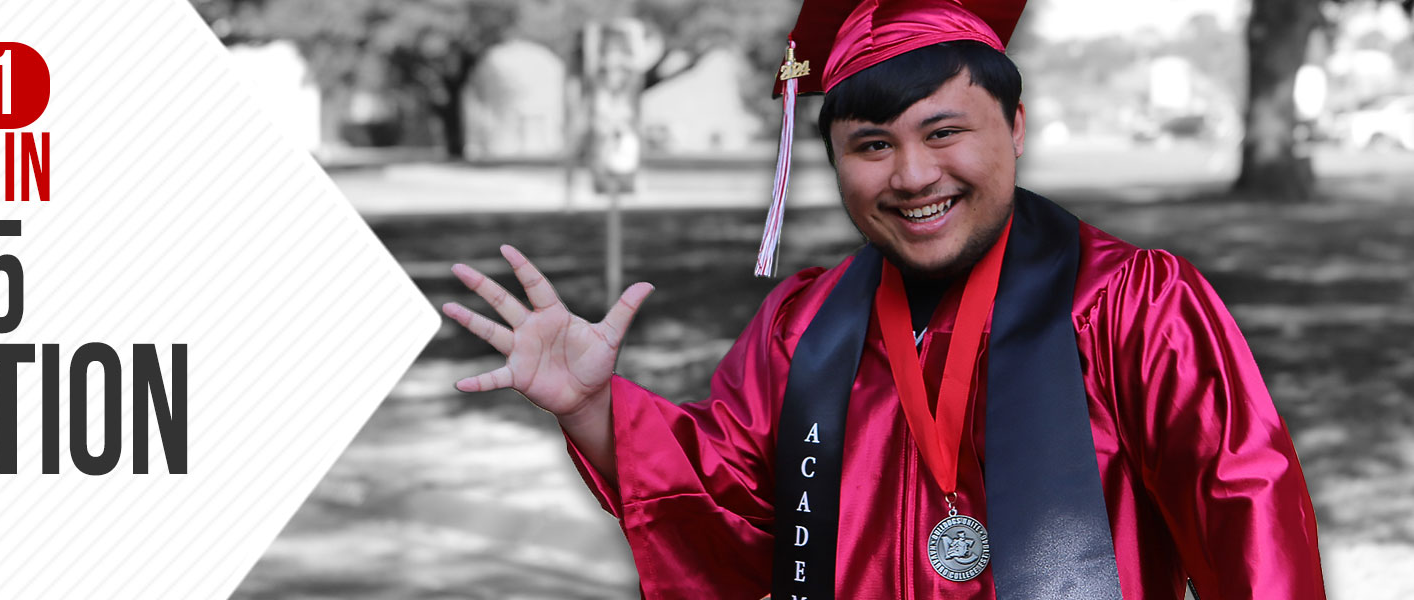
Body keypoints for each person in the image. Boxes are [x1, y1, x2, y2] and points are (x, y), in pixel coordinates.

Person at [439, 0, 1326, 598]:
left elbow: (1248, 522)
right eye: (872, 145)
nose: (912, 176)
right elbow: (737, 502)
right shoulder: (804, 326)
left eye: (945, 133)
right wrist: (596, 409)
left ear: (1014, 129)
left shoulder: (1130, 304)